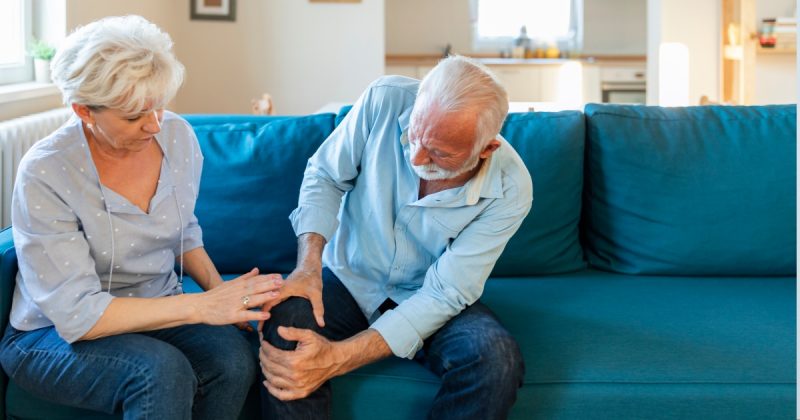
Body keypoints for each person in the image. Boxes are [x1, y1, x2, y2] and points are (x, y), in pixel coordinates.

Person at [0, 16, 283, 420]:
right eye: (134, 116)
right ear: (84, 110)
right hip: (51, 333)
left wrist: (224, 298)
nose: (153, 125)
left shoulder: (178, 136)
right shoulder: (47, 171)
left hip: (155, 307)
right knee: (159, 371)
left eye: (158, 107)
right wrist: (202, 307)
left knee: (232, 359)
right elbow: (79, 315)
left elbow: (183, 229)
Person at [259, 55, 533, 419]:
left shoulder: (511, 188)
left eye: (439, 152)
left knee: (495, 358)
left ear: (486, 149)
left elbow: (444, 294)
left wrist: (336, 359)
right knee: (286, 320)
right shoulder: (384, 99)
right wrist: (308, 266)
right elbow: (325, 176)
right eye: (415, 134)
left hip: (426, 294)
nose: (417, 156)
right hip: (347, 276)